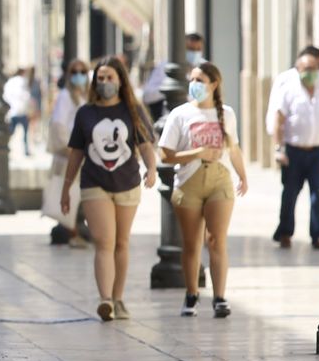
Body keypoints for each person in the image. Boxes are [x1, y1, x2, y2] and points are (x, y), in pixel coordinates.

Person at [58, 56, 158, 321]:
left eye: (109, 77)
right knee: (104, 242)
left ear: (120, 80)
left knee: (121, 243)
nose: (104, 82)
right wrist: (66, 187)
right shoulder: (86, 113)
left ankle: (118, 298)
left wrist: (152, 168)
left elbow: (146, 144)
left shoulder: (132, 111)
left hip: (127, 184)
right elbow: (76, 153)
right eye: (100, 78)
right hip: (94, 184)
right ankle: (105, 301)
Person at [159, 61, 249, 318]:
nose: (195, 84)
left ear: (214, 84)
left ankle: (220, 296)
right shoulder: (180, 114)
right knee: (192, 243)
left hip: (219, 181)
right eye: (193, 79)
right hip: (189, 182)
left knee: (216, 240)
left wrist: (242, 176)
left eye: (200, 80)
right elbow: (166, 155)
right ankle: (192, 293)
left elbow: (234, 149)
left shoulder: (226, 114)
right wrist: (197, 152)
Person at [271, 48, 319, 250]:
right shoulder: (288, 91)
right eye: (307, 68)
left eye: (315, 68)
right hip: (294, 151)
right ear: (298, 69)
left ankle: (318, 235)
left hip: (318, 152)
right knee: (290, 193)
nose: (311, 71)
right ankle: (285, 232)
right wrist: (279, 149)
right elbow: (278, 121)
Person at [44, 59, 90, 246]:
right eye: (74, 71)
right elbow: (59, 124)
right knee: (69, 191)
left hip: (85, 152)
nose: (78, 75)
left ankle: (76, 230)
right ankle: (72, 232)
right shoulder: (65, 96)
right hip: (70, 153)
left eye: (82, 71)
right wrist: (69, 148)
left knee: (80, 193)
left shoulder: (87, 96)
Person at [3, 66, 34, 157]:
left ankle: (7, 147)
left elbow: (6, 96)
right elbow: (26, 95)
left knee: (11, 132)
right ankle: (26, 150)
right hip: (22, 111)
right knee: (25, 132)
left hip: (13, 111)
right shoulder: (22, 81)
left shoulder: (10, 82)